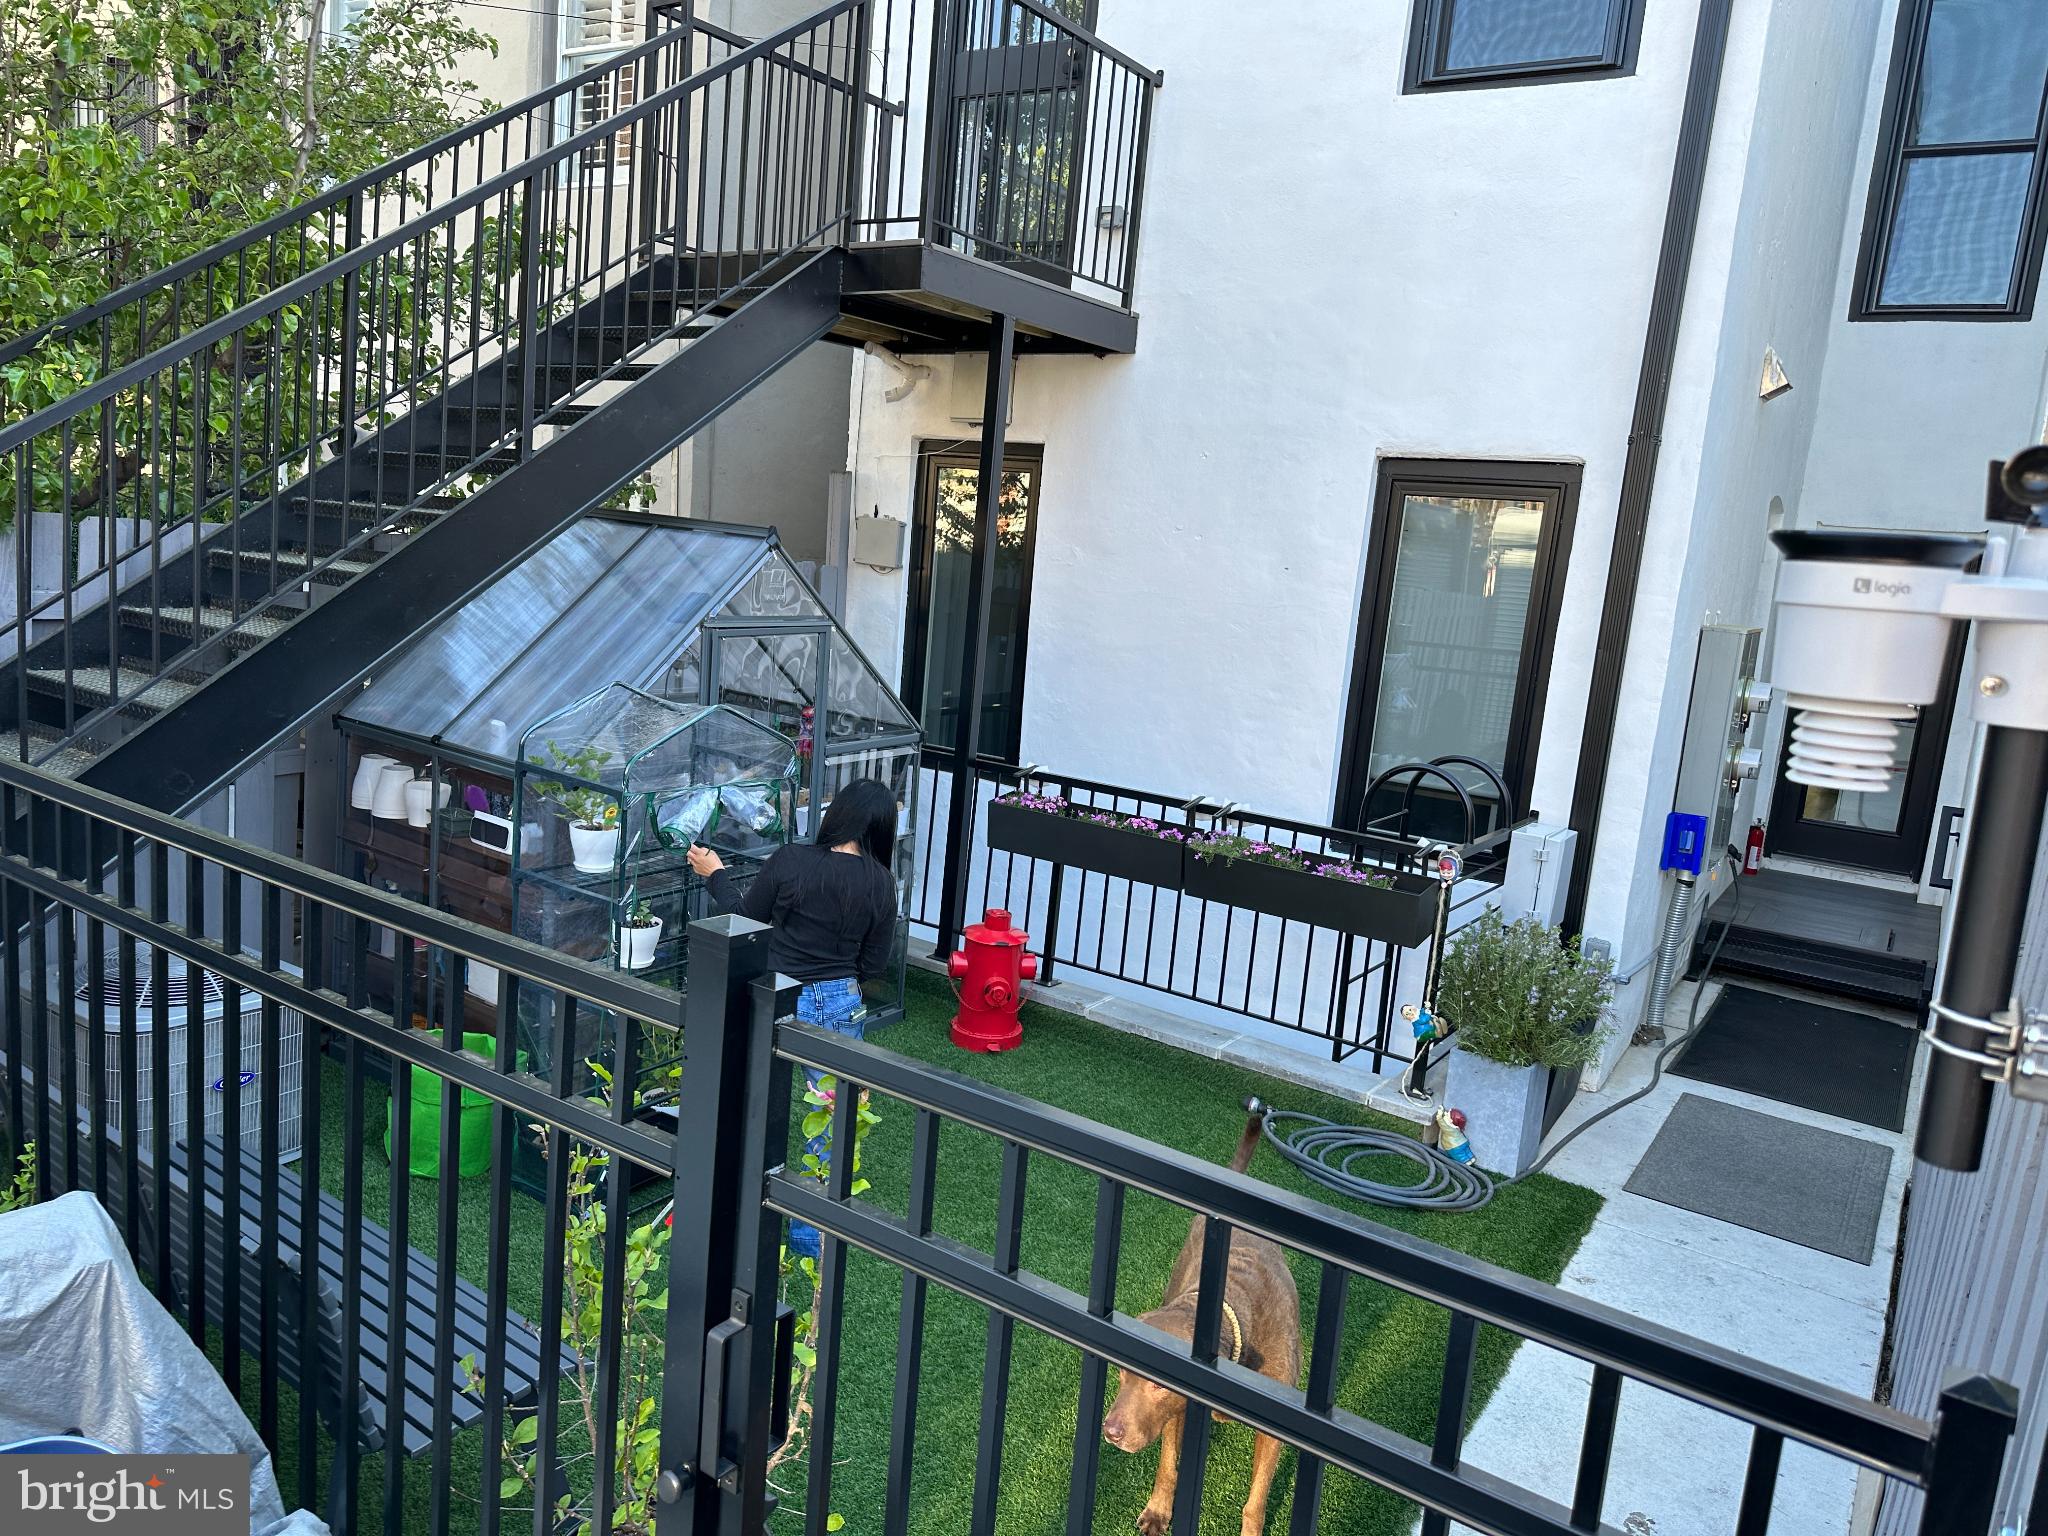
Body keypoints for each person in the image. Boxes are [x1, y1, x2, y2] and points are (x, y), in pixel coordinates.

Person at [686, 778, 899, 1258]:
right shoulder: (881, 882)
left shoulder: (790, 859)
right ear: (881, 829)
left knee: (755, 1104)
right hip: (839, 1001)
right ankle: (812, 1242)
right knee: (832, 1120)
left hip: (776, 995)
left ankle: (737, 1216)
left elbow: (746, 919)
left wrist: (714, 872)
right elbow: (874, 964)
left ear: (837, 814)